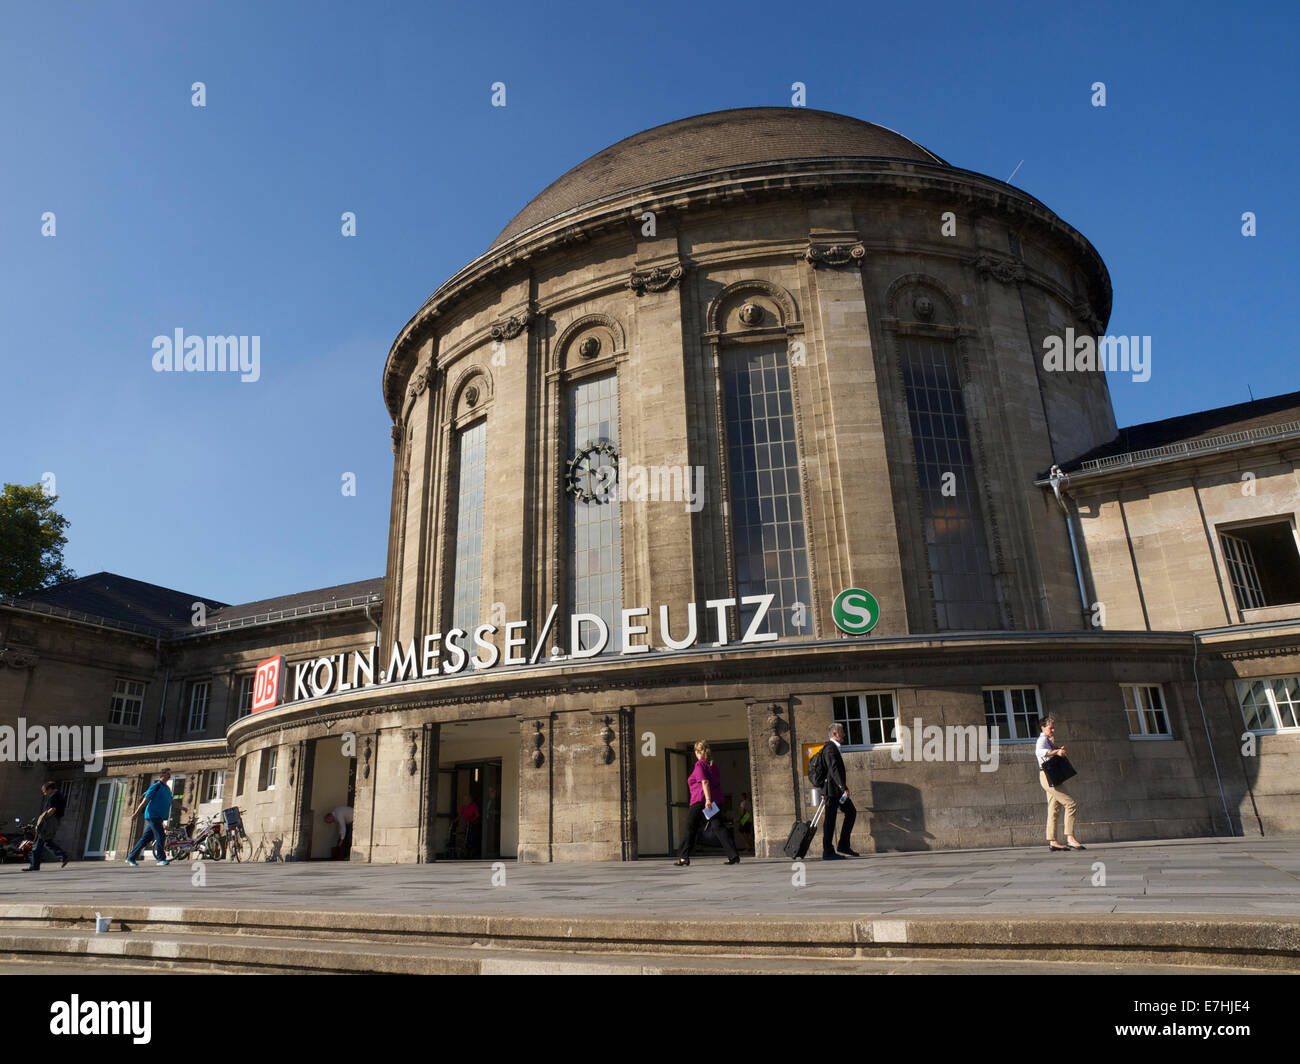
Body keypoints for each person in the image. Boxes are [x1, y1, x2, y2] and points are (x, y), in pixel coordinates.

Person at [674, 740, 739, 866]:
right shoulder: (712, 765)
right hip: (715, 800)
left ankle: (683, 857)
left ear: (697, 752)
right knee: (719, 827)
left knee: (690, 828)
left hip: (700, 801)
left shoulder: (700, 765)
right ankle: (733, 855)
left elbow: (704, 782)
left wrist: (707, 800)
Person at [1037, 717, 1083, 851]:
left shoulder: (1048, 740)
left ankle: (1053, 841)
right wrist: (1056, 751)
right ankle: (1070, 838)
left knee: (1054, 809)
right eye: (1050, 727)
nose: (1053, 730)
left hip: (1051, 776)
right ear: (1043, 727)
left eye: (1053, 727)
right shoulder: (1041, 740)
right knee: (1070, 804)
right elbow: (1039, 753)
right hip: (1047, 776)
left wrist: (1057, 749)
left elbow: (1050, 756)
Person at [821, 724, 858, 859]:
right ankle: (827, 851)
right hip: (832, 791)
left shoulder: (834, 748)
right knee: (830, 820)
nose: (844, 734)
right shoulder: (830, 749)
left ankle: (843, 845)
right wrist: (844, 788)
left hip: (836, 790)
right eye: (842, 731)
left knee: (851, 812)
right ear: (835, 734)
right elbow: (833, 770)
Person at [125, 768, 174, 866]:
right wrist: (136, 813)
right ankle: (161, 859)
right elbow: (145, 801)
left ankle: (131, 858)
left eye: (170, 775)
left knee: (146, 839)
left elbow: (171, 801)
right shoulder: (155, 786)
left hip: (158, 817)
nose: (169, 776)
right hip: (152, 816)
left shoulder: (167, 789)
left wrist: (181, 807)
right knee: (161, 836)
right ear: (162, 775)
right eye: (167, 774)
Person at [22, 781, 69, 872]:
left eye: (45, 791)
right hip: (55, 821)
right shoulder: (60, 796)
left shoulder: (54, 796)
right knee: (47, 841)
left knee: (37, 843)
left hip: (49, 821)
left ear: (50, 789)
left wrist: (43, 818)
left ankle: (34, 865)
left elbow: (52, 809)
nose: (44, 794)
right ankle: (63, 856)